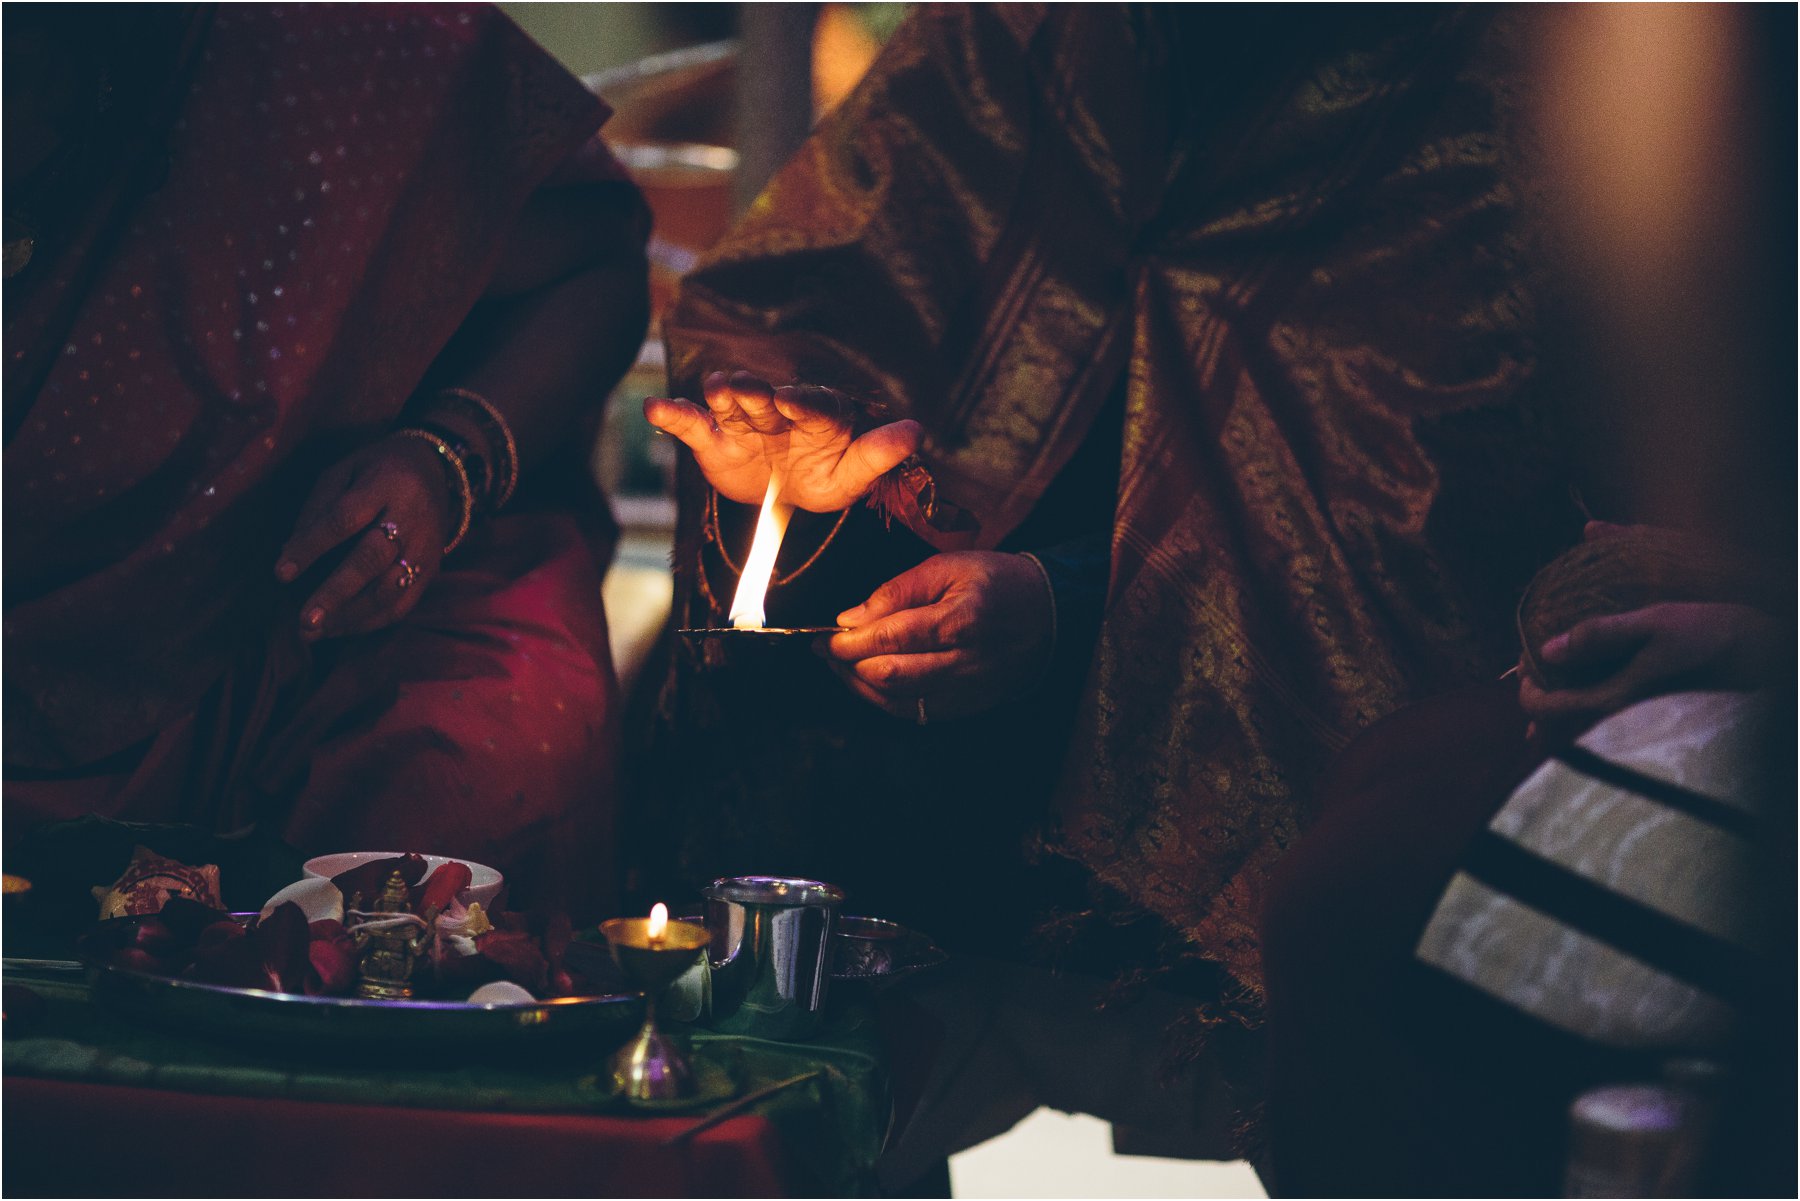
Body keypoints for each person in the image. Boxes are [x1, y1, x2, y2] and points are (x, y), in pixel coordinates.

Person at [633, 3, 1573, 1171]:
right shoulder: (1021, 35)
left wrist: (1069, 605)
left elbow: (1448, 518)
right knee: (757, 885)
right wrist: (812, 459)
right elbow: (797, 310)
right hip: (928, 752)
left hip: (1289, 777)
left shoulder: (1530, 100)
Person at [4, 5, 649, 915]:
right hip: (34, 665)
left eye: (21, 70)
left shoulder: (323, 46)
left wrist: (445, 462)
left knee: (468, 786)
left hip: (330, 591)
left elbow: (596, 273)